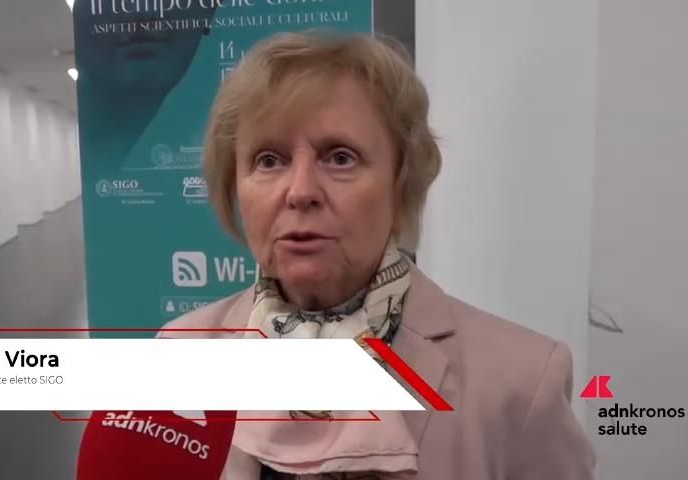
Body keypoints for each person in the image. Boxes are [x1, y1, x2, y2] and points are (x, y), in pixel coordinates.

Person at [159, 33, 596, 479]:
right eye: (269, 160)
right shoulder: (179, 354)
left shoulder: (521, 382)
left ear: (400, 185)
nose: (301, 191)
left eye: (340, 157)